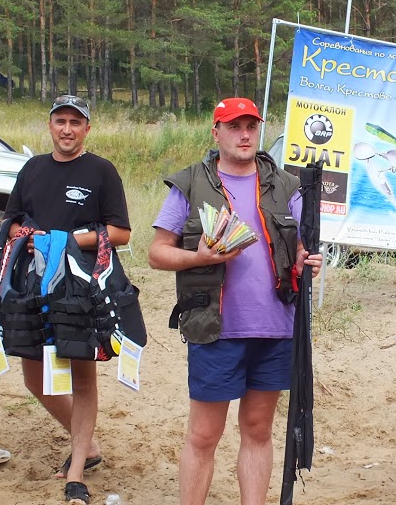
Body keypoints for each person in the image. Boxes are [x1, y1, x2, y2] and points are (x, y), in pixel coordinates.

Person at [148, 97, 322, 505]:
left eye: (251, 126)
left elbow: (299, 249)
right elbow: (157, 253)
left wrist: (305, 261)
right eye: (233, 126)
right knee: (204, 434)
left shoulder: (286, 185)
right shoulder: (191, 183)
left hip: (276, 327)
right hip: (215, 327)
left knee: (258, 429)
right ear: (216, 132)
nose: (244, 135)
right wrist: (199, 258)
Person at [4, 95, 131, 504]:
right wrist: (27, 238)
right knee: (33, 376)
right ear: (50, 125)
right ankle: (87, 445)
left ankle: (76, 471)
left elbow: (121, 232)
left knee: (82, 377)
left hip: (80, 288)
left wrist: (70, 240)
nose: (67, 129)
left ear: (87, 129)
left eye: (76, 122)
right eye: (60, 121)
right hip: (33, 285)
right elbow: (11, 222)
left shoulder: (101, 171)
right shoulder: (32, 169)